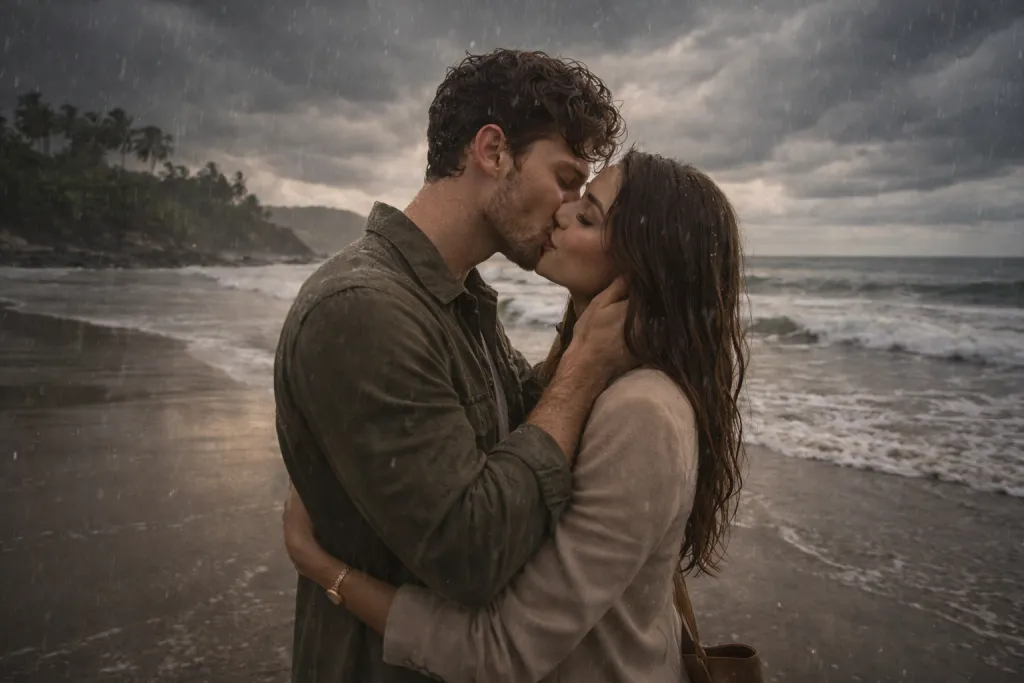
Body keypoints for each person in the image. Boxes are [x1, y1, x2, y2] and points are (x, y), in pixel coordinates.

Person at [282, 149, 750, 683]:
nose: (563, 211)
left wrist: (325, 569)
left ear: (642, 267)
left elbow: (500, 651)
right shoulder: (582, 374)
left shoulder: (641, 413)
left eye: (588, 215)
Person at [273, 49, 629, 682]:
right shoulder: (364, 311)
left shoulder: (457, 296)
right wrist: (587, 366)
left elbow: (528, 418)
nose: (569, 208)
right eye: (566, 178)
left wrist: (595, 303)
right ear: (492, 152)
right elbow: (471, 555)